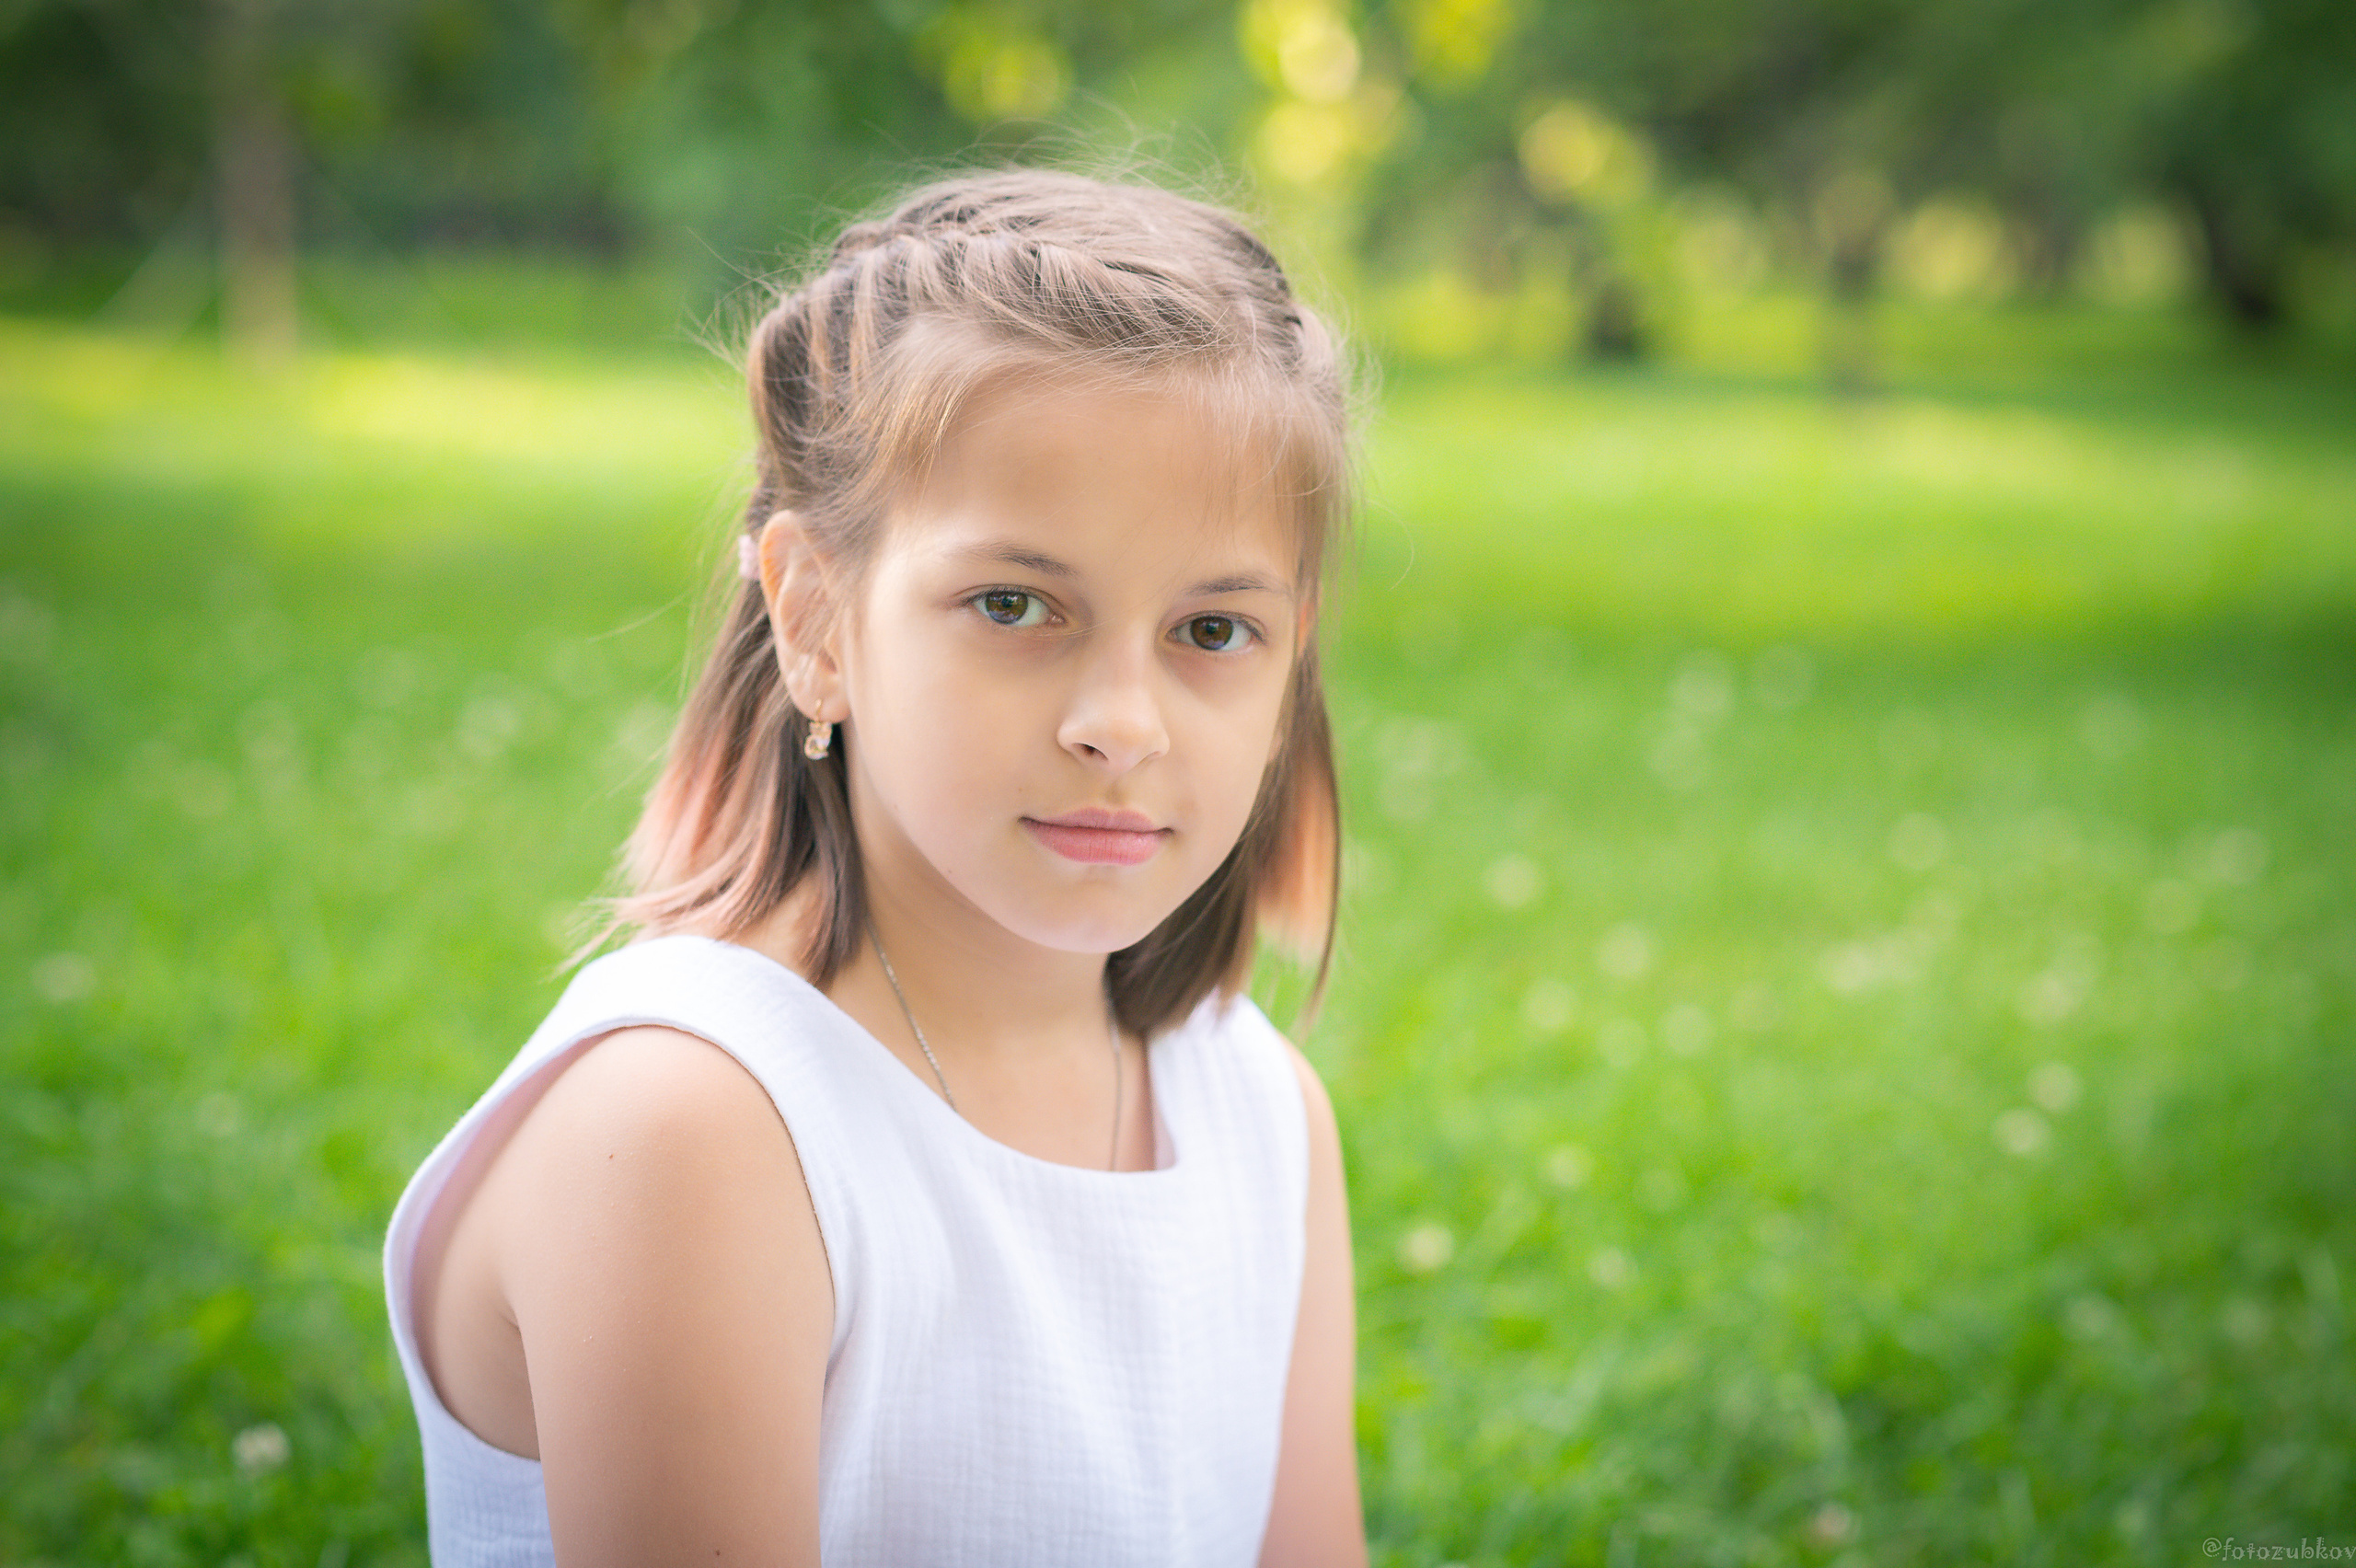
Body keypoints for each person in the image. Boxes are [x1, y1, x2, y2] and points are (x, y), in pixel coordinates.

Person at [381, 167, 1367, 1567]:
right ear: (817, 616)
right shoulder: (695, 1127)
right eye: (1015, 605)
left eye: (1213, 631)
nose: (1121, 726)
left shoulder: (1257, 1109)